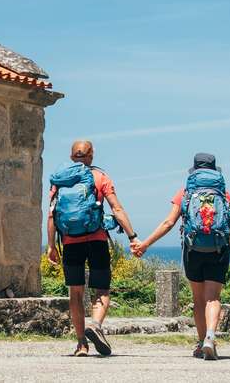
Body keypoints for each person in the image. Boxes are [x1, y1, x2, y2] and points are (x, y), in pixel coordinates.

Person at [132, 152, 230, 360]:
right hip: (218, 249)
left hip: (193, 250)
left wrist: (144, 244)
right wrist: (226, 249)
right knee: (213, 298)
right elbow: (229, 224)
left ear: (194, 170)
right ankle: (210, 338)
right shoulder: (224, 193)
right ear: (215, 170)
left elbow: (169, 223)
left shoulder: (185, 193)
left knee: (198, 299)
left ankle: (200, 344)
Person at [46, 139, 141, 357]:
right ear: (92, 155)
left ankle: (81, 344)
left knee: (76, 293)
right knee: (102, 289)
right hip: (97, 240)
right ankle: (95, 325)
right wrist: (132, 236)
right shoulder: (100, 177)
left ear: (72, 157)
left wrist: (52, 246)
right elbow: (116, 208)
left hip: (70, 242)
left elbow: (52, 215)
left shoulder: (60, 181)